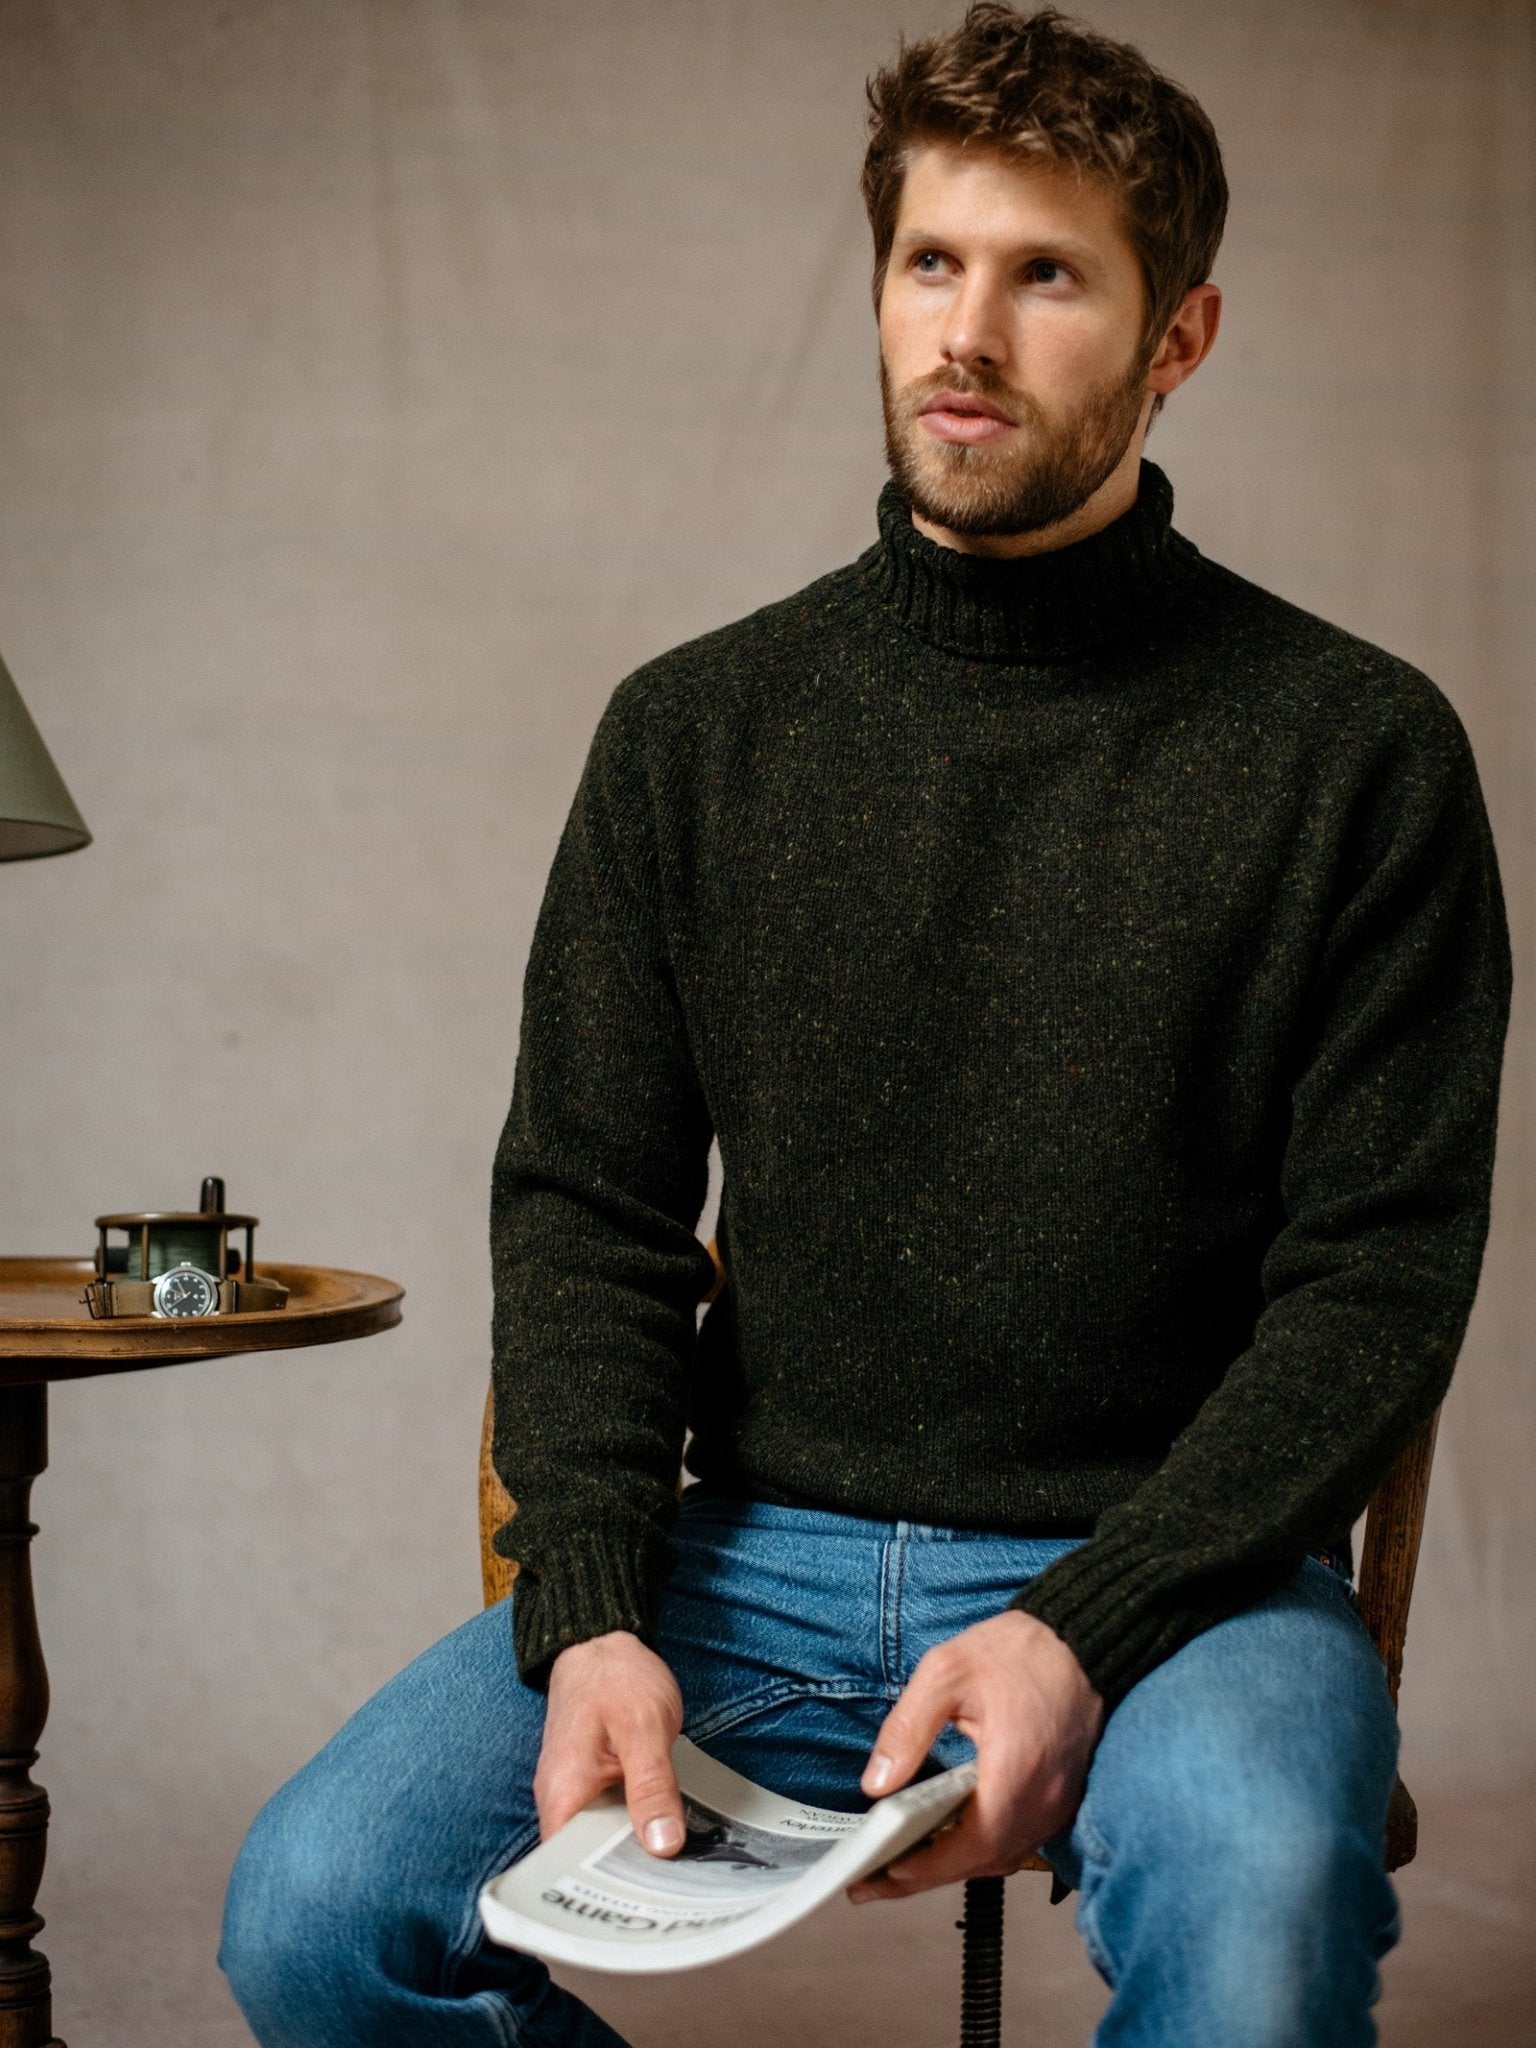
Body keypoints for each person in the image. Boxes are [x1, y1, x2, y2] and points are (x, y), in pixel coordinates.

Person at [219, 7, 1512, 2044]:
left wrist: (1083, 1623)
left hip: (1182, 1573)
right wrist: (587, 1613)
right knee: (312, 1912)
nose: (966, 335)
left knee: (1260, 1932)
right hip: (749, 1565)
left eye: (1048, 274)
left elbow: (1377, 1283)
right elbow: (590, 1215)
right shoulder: (694, 737)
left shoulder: (1356, 753)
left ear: (1180, 336)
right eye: (931, 263)